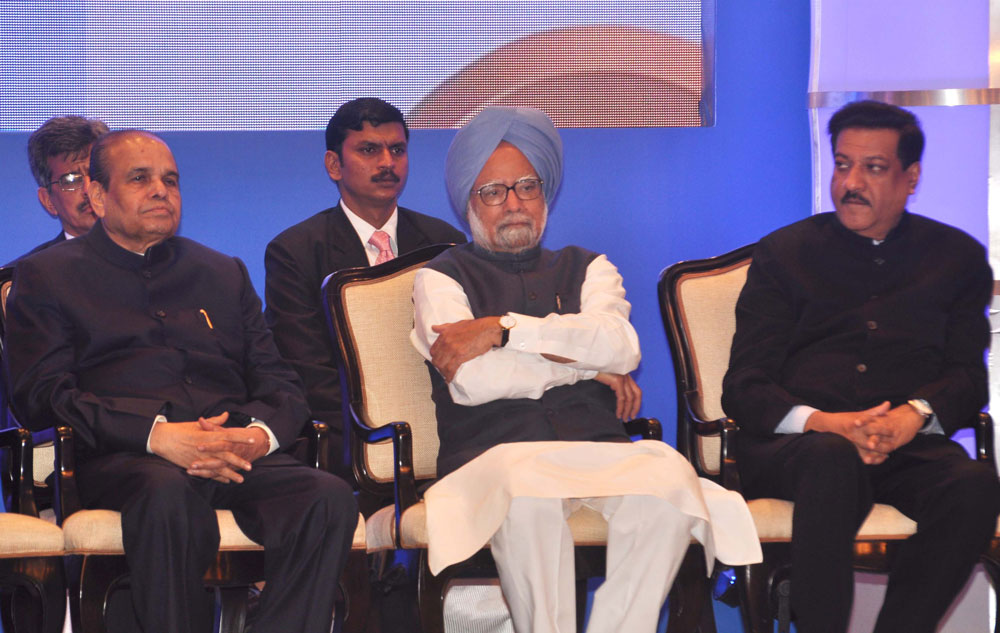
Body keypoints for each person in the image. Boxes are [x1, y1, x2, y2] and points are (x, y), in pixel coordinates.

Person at [411, 106, 761, 633]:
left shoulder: (591, 266)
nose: (513, 204)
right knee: (527, 497)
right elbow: (474, 381)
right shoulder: (438, 280)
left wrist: (503, 330)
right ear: (468, 203)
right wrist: (584, 369)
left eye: (527, 187)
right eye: (494, 191)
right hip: (495, 456)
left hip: (597, 451)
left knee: (667, 480)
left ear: (546, 194)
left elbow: (620, 348)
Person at [4, 130, 358, 633]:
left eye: (170, 180)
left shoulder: (221, 272)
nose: (160, 191)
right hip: (128, 459)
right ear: (99, 195)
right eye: (140, 179)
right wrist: (156, 435)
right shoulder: (46, 275)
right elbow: (41, 396)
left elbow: (281, 383)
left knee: (325, 498)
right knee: (167, 497)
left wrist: (257, 436)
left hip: (234, 452)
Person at [722, 100, 1000, 633]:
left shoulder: (957, 258)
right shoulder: (784, 253)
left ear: (911, 176)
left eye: (873, 168)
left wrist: (913, 415)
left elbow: (968, 378)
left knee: (973, 485)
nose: (851, 182)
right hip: (798, 448)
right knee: (830, 458)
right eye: (843, 163)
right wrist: (827, 422)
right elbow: (744, 385)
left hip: (904, 445)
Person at [264, 97, 466, 481]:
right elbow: (307, 372)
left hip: (445, 427)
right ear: (334, 165)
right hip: (346, 438)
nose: (388, 163)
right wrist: (381, 431)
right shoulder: (296, 252)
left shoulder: (446, 244)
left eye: (398, 150)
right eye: (370, 150)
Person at [24, 115, 109, 254]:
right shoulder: (27, 273)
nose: (88, 190)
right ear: (48, 201)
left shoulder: (155, 263)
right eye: (71, 180)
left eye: (95, 174)